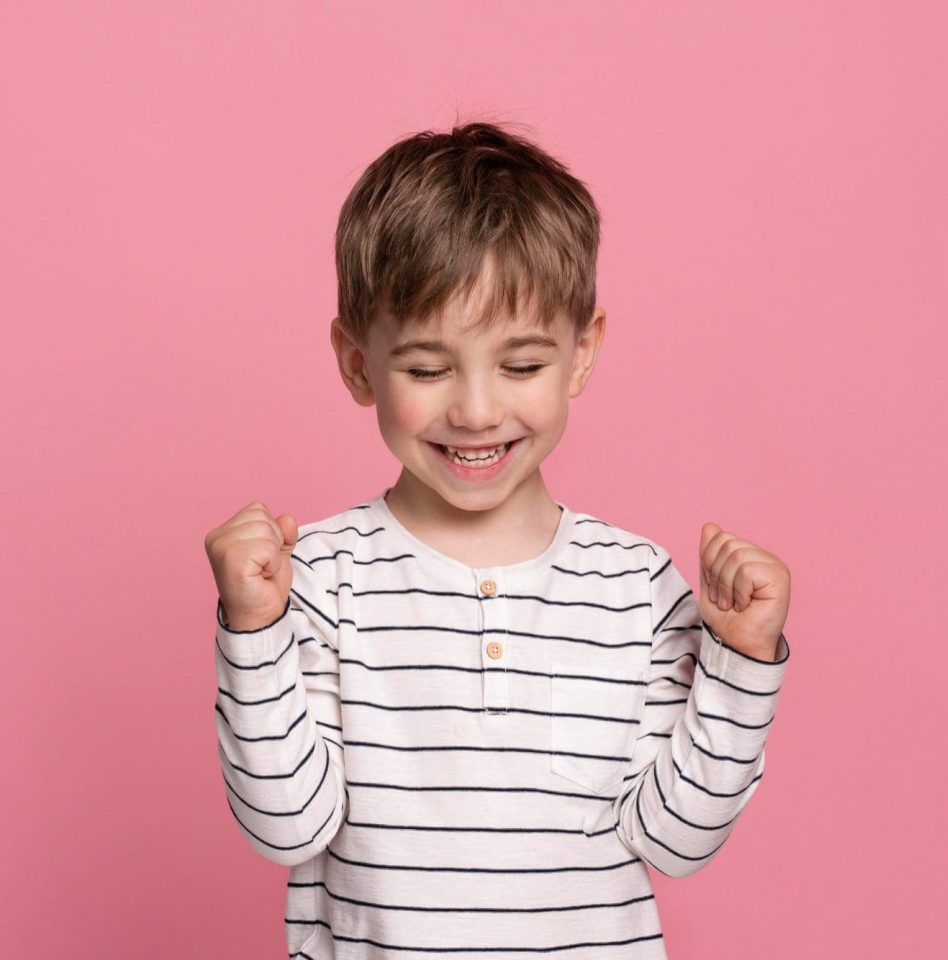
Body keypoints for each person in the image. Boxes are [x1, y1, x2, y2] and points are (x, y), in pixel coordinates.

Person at [203, 121, 791, 959]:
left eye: (520, 366)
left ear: (582, 353)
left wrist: (740, 665)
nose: (477, 411)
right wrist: (253, 630)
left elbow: (677, 841)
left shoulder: (637, 588)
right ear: (358, 363)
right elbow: (285, 827)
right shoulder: (317, 580)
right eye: (427, 368)